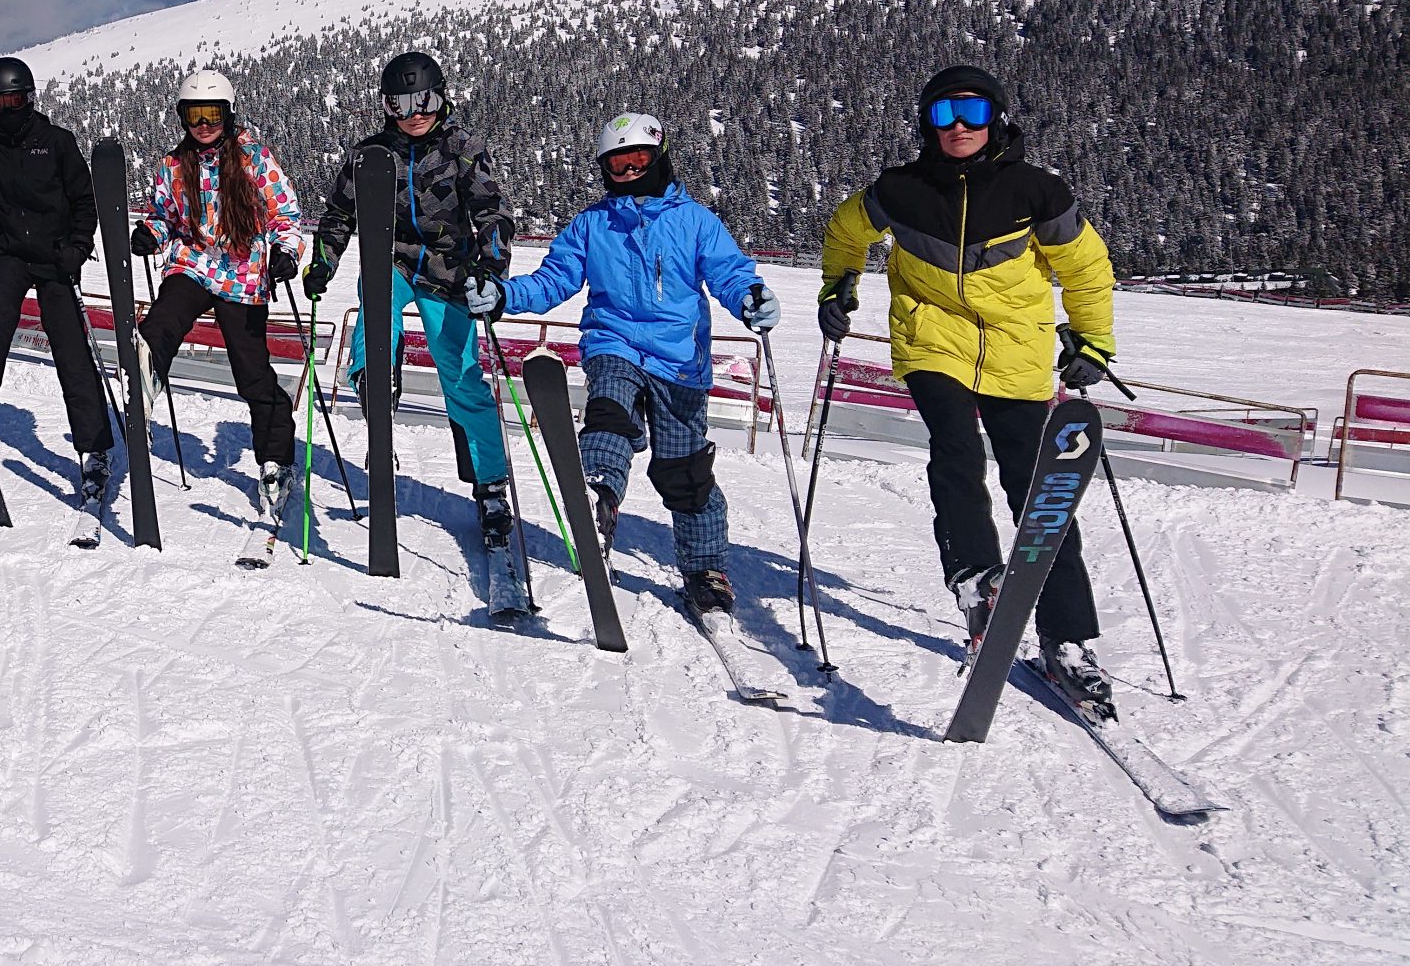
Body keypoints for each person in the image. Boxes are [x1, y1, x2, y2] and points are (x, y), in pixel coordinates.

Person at [817, 63, 1120, 712]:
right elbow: (846, 231)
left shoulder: (1036, 192)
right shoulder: (900, 190)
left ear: (997, 120)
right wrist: (839, 284)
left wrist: (1092, 340)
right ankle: (976, 578)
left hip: (1018, 354)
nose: (959, 127)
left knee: (1039, 495)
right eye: (944, 114)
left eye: (974, 114)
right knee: (953, 447)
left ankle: (1067, 642)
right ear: (926, 122)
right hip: (934, 345)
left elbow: (1087, 269)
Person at [465, 112, 780, 618]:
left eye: (637, 160)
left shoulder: (695, 221)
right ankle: (601, 496)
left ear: (659, 158)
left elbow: (728, 271)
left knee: (685, 474)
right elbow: (554, 280)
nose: (628, 171)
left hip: (680, 363)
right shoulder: (593, 225)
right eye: (616, 163)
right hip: (613, 343)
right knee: (609, 407)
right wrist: (504, 295)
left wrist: (749, 298)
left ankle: (704, 569)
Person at [307, 51, 517, 554]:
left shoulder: (463, 149)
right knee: (374, 296)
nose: (413, 112)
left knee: (463, 380)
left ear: (441, 96)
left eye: (422, 100)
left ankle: (490, 487)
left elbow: (492, 213)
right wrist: (323, 262)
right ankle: (373, 375)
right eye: (398, 103)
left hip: (449, 273)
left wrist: (490, 271)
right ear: (385, 106)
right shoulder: (372, 154)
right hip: (393, 261)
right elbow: (340, 214)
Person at [125, 69, 306, 513]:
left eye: (212, 114)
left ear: (228, 114)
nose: (203, 124)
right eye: (193, 115)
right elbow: (164, 214)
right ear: (182, 117)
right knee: (162, 322)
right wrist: (151, 231)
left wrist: (287, 251)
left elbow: (286, 215)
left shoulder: (254, 159)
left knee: (252, 373)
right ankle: (144, 381)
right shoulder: (173, 165)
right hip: (194, 262)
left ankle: (275, 460)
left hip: (243, 272)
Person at [0, 56, 114, 502]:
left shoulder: (57, 142)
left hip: (55, 257)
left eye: (15, 100)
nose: (8, 110)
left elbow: (85, 201)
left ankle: (94, 448)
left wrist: (77, 248)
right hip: (10, 252)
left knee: (70, 351)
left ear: (29, 98)